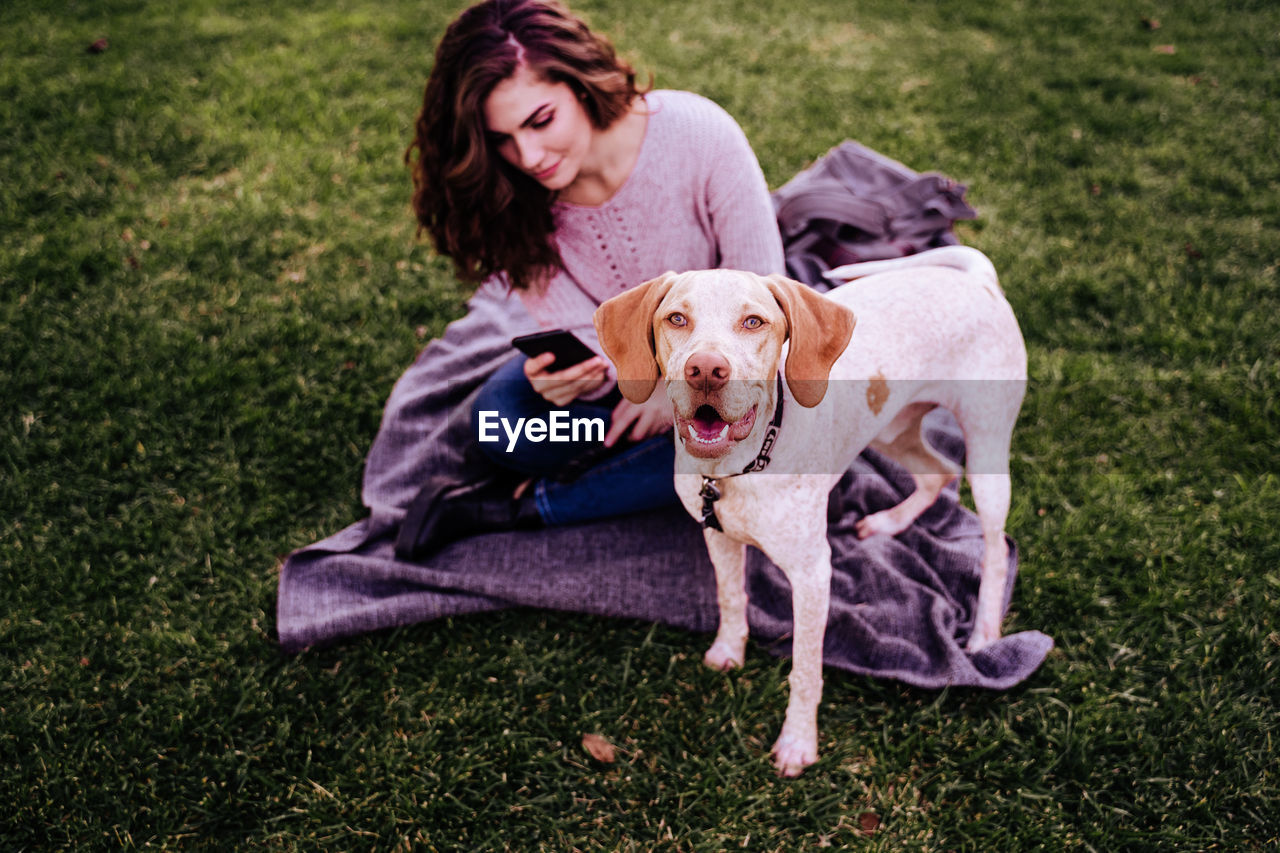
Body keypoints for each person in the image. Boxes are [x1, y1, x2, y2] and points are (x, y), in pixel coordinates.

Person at [394, 0, 784, 556]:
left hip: (722, 369)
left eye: (540, 120)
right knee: (497, 425)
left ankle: (526, 506)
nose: (527, 155)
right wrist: (579, 380)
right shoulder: (508, 197)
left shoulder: (700, 134)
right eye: (501, 137)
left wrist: (667, 387)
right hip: (616, 384)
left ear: (579, 85)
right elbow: (577, 327)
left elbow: (761, 286)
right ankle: (635, 461)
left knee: (758, 435)